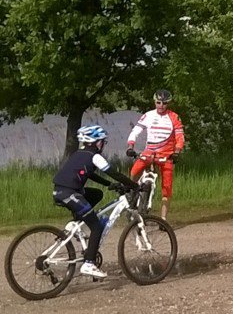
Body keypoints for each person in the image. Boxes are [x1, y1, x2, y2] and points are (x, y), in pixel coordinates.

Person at [53, 125, 140, 279]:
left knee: (96, 194)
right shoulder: (95, 156)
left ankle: (76, 223)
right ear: (96, 142)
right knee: (96, 226)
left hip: (61, 191)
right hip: (70, 193)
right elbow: (114, 173)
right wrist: (135, 186)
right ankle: (89, 263)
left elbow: (91, 174)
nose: (103, 144)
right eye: (102, 141)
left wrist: (110, 185)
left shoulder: (79, 153)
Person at [126, 89, 185, 221]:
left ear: (168, 104)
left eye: (164, 103)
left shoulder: (174, 117)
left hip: (166, 156)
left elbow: (180, 136)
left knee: (167, 188)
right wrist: (130, 146)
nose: (161, 105)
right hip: (149, 153)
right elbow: (136, 131)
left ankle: (163, 219)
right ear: (154, 102)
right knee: (134, 173)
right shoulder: (148, 115)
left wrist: (177, 151)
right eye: (158, 102)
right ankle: (132, 196)